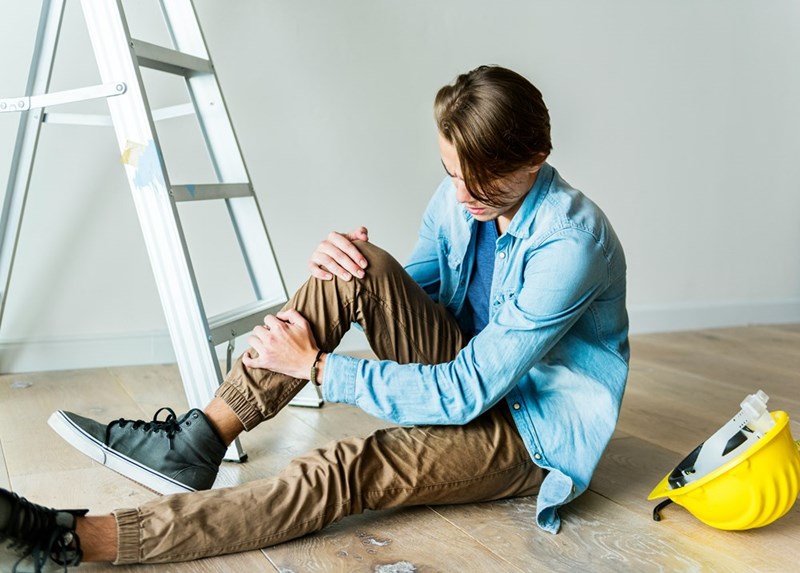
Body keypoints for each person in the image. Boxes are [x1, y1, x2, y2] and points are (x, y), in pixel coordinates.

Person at [0, 65, 629, 571]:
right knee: (353, 266)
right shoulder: (461, 193)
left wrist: (322, 370)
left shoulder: (571, 245)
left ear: (536, 157)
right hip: (470, 367)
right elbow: (409, 291)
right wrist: (343, 265)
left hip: (528, 434)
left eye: (484, 184)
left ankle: (72, 540)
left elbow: (466, 390)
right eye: (451, 174)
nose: (462, 198)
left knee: (346, 470)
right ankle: (196, 441)